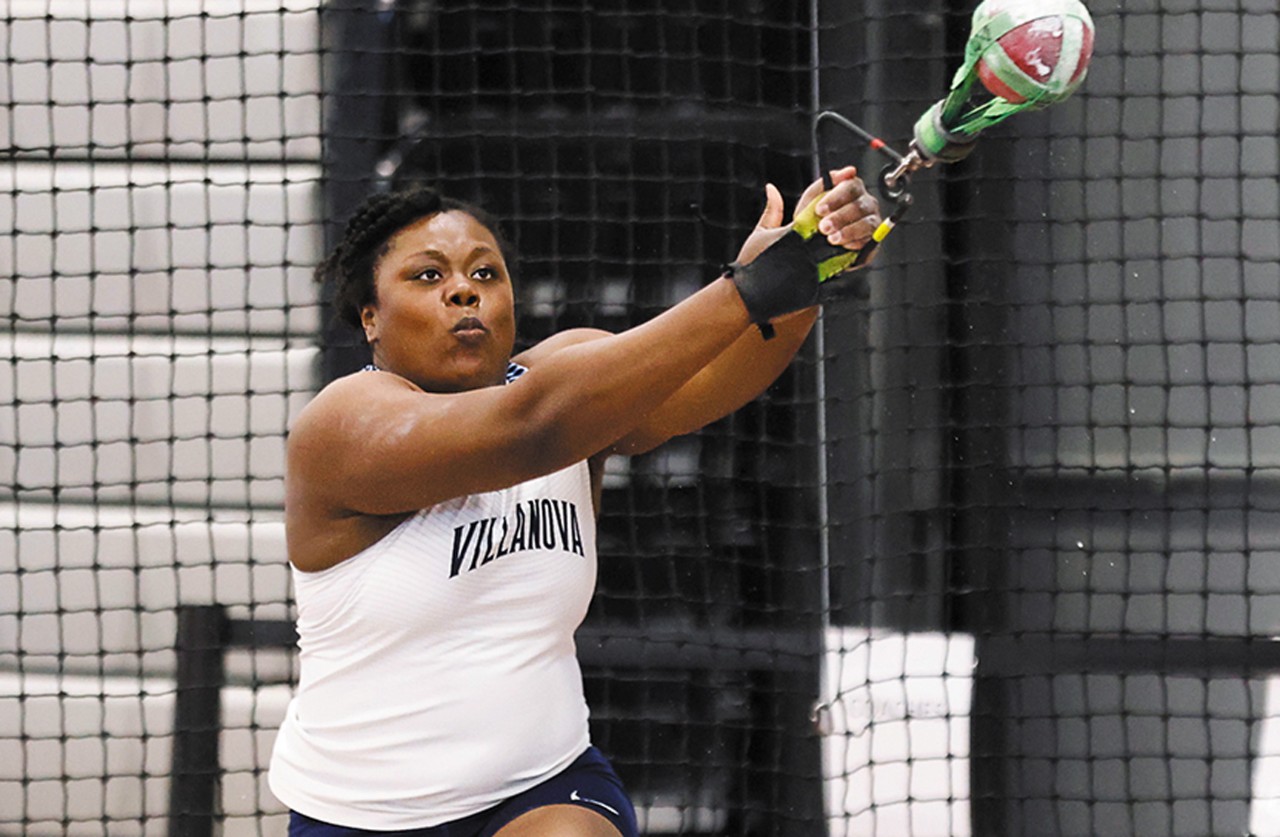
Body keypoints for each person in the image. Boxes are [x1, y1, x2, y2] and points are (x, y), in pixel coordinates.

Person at [267, 167, 882, 837]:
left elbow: (717, 365)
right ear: (370, 318)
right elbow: (529, 429)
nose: (463, 290)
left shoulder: (573, 376)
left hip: (543, 786)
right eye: (427, 276)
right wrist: (743, 289)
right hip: (359, 817)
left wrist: (807, 267)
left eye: (485, 273)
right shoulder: (343, 424)